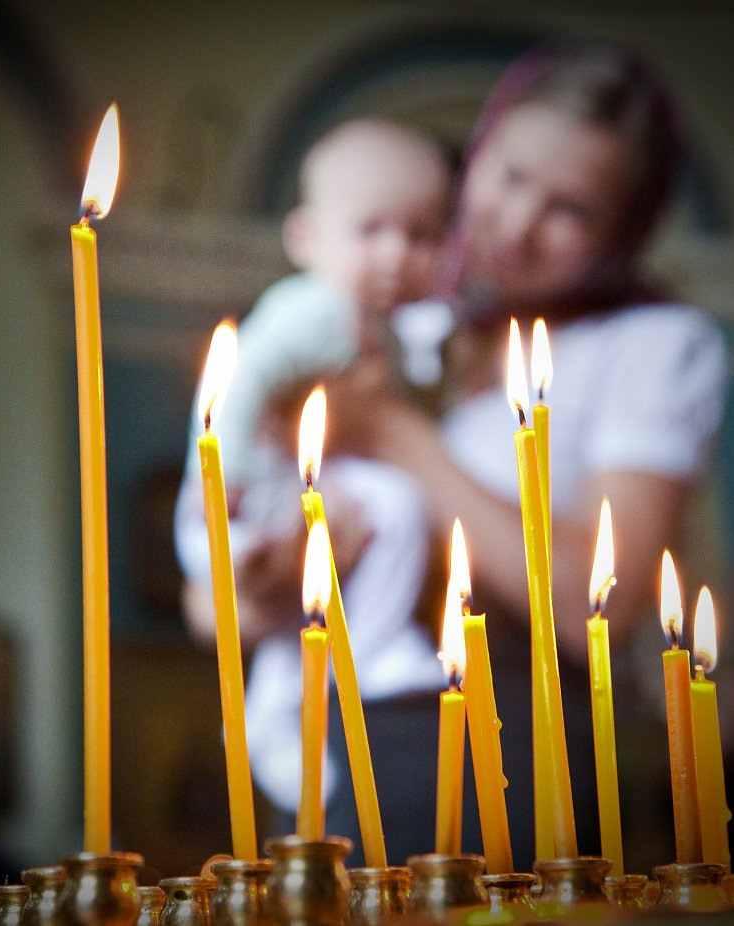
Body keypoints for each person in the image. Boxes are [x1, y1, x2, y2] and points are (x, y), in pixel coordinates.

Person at [179, 39, 729, 869]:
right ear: (477, 156)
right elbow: (210, 603)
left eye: (571, 208)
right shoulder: (403, 320)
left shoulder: (652, 346)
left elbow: (598, 609)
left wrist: (399, 436)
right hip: (312, 732)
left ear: (627, 230)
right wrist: (257, 585)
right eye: (509, 177)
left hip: (502, 748)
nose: (517, 224)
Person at [173, 117, 456, 827]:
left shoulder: (382, 324)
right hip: (241, 508)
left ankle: (288, 706)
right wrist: (229, 478)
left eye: (421, 233)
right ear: (307, 239)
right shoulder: (308, 311)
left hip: (296, 508)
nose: (397, 252)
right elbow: (240, 385)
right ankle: (364, 656)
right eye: (372, 230)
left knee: (382, 517)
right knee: (391, 506)